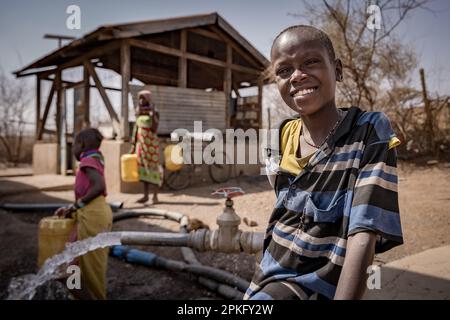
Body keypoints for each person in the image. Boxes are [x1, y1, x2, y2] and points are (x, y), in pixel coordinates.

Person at [244, 25, 403, 300]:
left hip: (321, 285)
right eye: (284, 70)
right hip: (271, 275)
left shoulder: (369, 131)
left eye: (311, 62)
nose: (297, 76)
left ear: (338, 70)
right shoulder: (277, 138)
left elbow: (363, 233)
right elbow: (288, 217)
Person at [55, 128, 112, 300]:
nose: (72, 149)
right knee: (80, 269)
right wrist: (72, 208)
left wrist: (76, 206)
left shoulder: (87, 161)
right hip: (93, 215)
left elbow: (98, 187)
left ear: (82, 144)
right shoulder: (96, 158)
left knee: (68, 273)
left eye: (73, 145)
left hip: (93, 218)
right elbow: (89, 192)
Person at [130, 90, 162, 204]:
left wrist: (152, 114)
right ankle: (146, 196)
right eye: (140, 98)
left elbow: (154, 128)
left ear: (148, 99)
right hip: (141, 146)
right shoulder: (139, 113)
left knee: (153, 170)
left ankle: (155, 197)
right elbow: (136, 129)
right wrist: (133, 145)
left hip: (151, 147)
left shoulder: (154, 112)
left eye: (143, 98)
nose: (141, 101)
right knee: (143, 171)